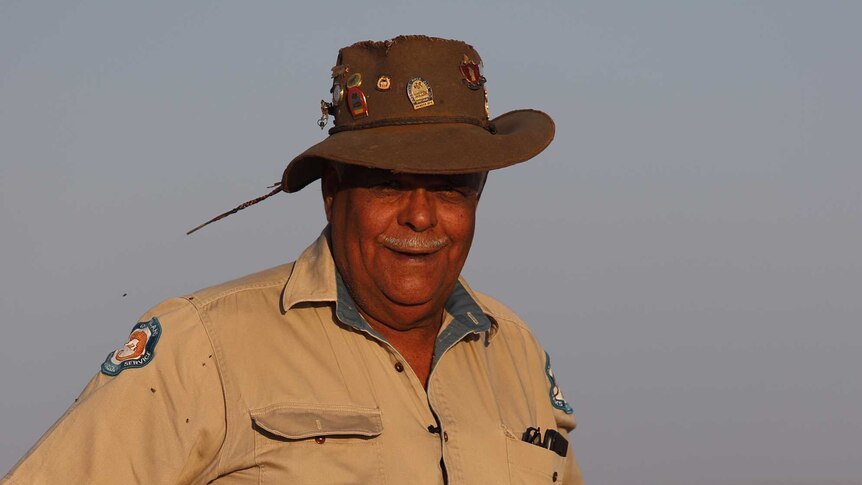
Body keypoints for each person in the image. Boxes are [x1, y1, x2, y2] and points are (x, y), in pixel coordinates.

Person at [3, 35, 582, 484]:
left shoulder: (516, 354)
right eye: (388, 185)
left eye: (450, 187)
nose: (421, 217)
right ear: (332, 193)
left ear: (479, 194)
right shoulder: (202, 347)